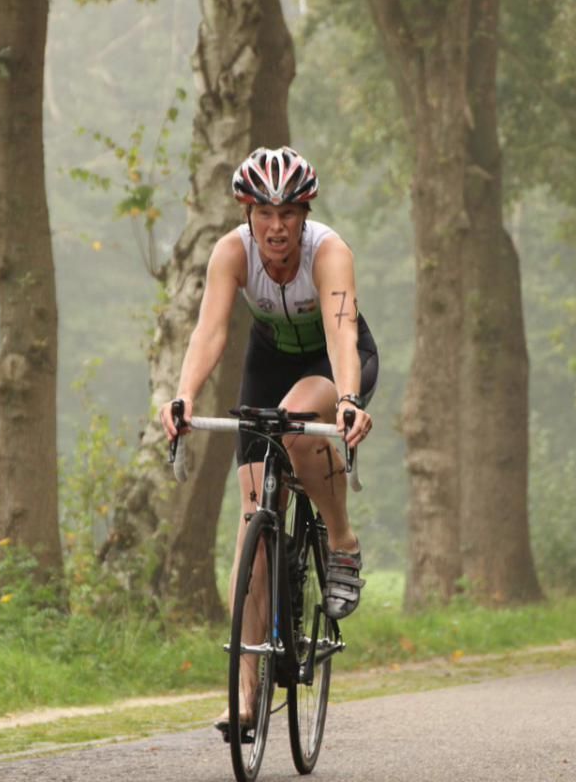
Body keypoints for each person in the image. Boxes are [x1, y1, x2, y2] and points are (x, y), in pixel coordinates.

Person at [159, 146, 379, 732]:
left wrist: (349, 399)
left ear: (305, 214)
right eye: (264, 214)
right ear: (246, 212)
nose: (276, 227)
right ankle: (243, 693)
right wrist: (183, 395)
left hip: (333, 363)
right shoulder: (231, 252)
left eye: (288, 214)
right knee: (252, 517)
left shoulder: (328, 252)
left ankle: (342, 539)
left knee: (298, 421)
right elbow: (210, 331)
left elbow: (341, 330)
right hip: (268, 360)